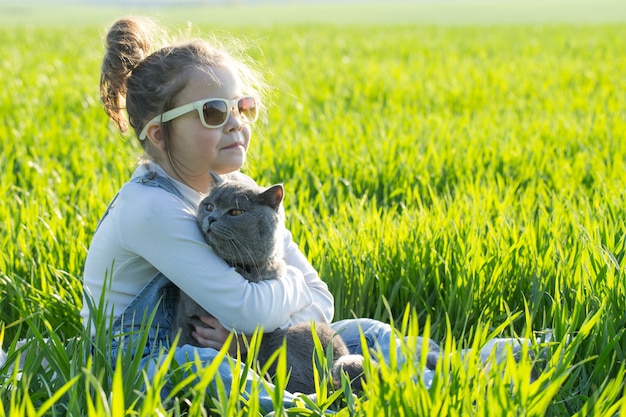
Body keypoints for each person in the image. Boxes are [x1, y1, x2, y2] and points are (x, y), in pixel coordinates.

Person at [81, 16, 534, 411]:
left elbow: (320, 300)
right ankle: (316, 408)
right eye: (214, 112)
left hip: (244, 344)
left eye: (244, 106)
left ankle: (456, 373)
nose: (237, 121)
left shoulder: (235, 192)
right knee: (198, 366)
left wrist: (256, 328)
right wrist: (279, 301)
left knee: (363, 332)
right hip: (143, 362)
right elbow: (247, 309)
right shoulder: (150, 208)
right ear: (160, 135)